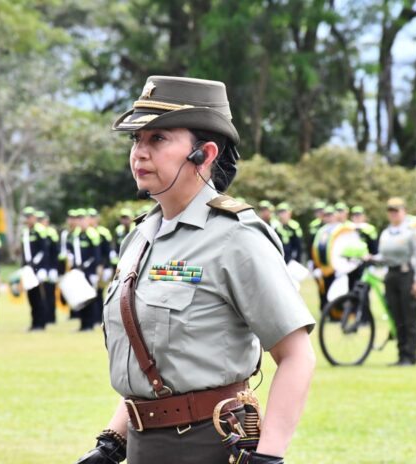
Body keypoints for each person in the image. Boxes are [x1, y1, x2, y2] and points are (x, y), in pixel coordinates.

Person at [75, 76, 315, 464]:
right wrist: (112, 443)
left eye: (158, 139)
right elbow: (155, 362)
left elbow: (297, 355)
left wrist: (269, 457)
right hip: (142, 446)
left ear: (203, 153)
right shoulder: (139, 237)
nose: (139, 153)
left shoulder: (236, 238)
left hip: (210, 444)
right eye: (136, 139)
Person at [377, 197, 416, 366]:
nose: (394, 214)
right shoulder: (386, 233)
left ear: (404, 212)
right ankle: (401, 354)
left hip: (406, 274)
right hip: (391, 275)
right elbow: (384, 257)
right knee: (396, 316)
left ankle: (410, 354)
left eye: (397, 211)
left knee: (409, 316)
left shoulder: (410, 231)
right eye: (391, 211)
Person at [71, 208, 101, 331]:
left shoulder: (92, 234)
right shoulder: (76, 234)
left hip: (89, 270)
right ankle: (83, 324)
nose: (80, 222)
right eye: (78, 219)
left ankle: (90, 323)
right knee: (81, 297)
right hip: (78, 271)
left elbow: (96, 255)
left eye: (82, 219)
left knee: (89, 298)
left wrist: (96, 271)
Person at [20, 207, 49, 331]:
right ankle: (34, 323)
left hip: (38, 267)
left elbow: (44, 250)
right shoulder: (25, 232)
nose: (28, 219)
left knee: (38, 296)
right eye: (26, 217)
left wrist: (41, 267)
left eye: (30, 216)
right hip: (28, 268)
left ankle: (41, 323)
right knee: (31, 296)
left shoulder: (40, 230)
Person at [348, 206, 378, 291]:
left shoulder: (369, 229)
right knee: (351, 287)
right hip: (351, 262)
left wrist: (372, 259)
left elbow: (374, 246)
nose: (357, 217)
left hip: (365, 262)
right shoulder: (347, 228)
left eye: (359, 215)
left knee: (364, 289)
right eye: (355, 215)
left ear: (363, 216)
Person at [37, 211, 59, 324]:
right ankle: (44, 316)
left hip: (50, 268)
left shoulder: (51, 232)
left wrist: (54, 268)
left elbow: (54, 252)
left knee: (50, 293)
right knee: (41, 294)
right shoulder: (38, 233)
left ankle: (51, 317)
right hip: (41, 268)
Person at [88, 207, 116, 295]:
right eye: (89, 217)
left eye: (92, 217)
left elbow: (107, 251)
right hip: (90, 267)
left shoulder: (104, 232)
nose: (90, 219)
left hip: (102, 266)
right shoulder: (85, 231)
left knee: (100, 292)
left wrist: (106, 267)